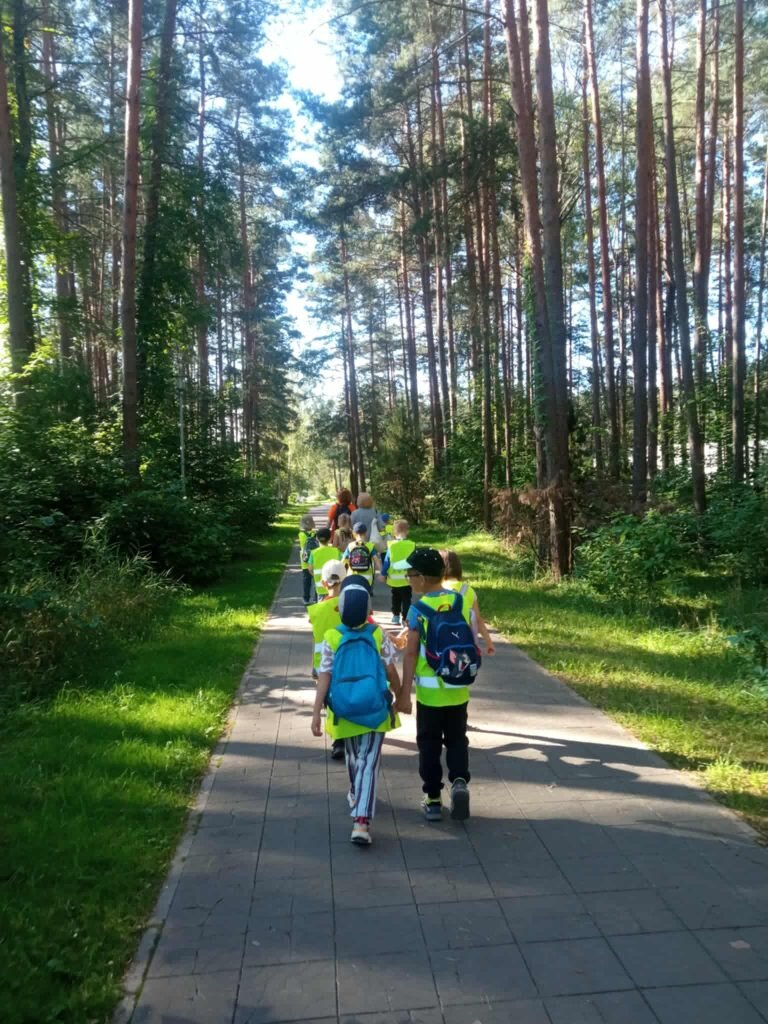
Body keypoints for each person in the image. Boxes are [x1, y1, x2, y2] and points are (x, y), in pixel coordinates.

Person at [311, 577, 409, 845]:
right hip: (375, 708)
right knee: (369, 761)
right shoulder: (377, 635)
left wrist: (317, 712)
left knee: (355, 759)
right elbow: (390, 671)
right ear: (368, 610)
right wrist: (401, 695)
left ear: (340, 610)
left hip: (343, 710)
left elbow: (324, 678)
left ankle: (359, 805)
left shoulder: (332, 637)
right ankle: (361, 821)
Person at [395, 547, 480, 823]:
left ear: (421, 578)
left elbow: (410, 653)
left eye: (409, 574)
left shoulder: (418, 610)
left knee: (429, 744)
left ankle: (432, 797)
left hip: (430, 694)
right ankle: (459, 781)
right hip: (458, 688)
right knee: (457, 739)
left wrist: (404, 693)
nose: (407, 579)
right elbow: (471, 639)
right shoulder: (460, 601)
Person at [307, 559, 347, 760]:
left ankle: (337, 739)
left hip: (322, 662)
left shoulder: (316, 610)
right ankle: (344, 737)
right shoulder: (348, 605)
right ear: (345, 581)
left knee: (328, 699)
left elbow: (315, 633)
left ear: (323, 583)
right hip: (345, 660)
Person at [440, 550, 497, 656]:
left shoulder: (438, 589)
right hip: (465, 643)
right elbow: (478, 620)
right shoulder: (468, 590)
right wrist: (489, 642)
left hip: (443, 644)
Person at [379, 519, 415, 625]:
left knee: (396, 598)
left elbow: (387, 561)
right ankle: (405, 618)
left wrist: (383, 574)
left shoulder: (392, 545)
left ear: (394, 532)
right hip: (407, 579)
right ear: (407, 531)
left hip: (394, 580)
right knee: (407, 599)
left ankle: (395, 616)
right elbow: (415, 561)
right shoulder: (411, 545)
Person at [342, 522, 381, 587]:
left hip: (352, 576)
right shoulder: (370, 546)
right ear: (365, 533)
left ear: (354, 533)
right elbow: (377, 561)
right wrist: (382, 573)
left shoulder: (350, 546)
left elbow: (343, 561)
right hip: (367, 578)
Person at [308, 528, 340, 599]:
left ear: (317, 538)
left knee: (322, 604)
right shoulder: (336, 551)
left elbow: (310, 569)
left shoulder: (313, 553)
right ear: (330, 538)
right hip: (334, 586)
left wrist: (316, 576)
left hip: (321, 587)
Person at [298, 513, 317, 605]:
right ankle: (316, 598)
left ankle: (306, 599)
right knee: (316, 580)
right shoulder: (314, 534)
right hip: (314, 559)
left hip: (305, 561)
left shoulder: (301, 534)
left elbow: (302, 545)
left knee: (306, 581)